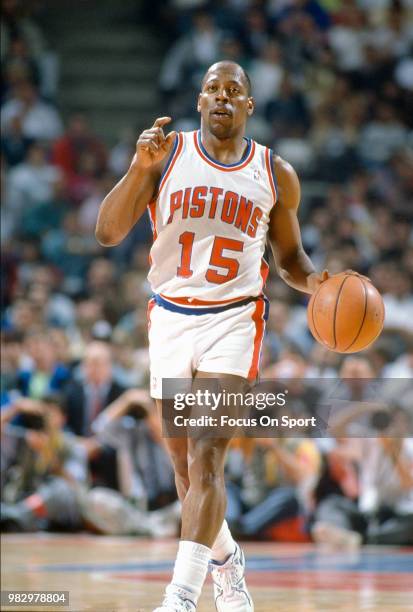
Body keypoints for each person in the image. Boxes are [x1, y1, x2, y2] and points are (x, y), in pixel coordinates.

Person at [95, 61, 329, 612]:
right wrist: (136, 168)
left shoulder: (276, 174)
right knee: (185, 471)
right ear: (199, 101)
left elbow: (289, 258)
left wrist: (316, 282)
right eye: (212, 89)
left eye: (234, 91)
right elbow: (106, 232)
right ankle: (227, 565)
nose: (222, 97)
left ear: (249, 106)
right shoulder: (166, 154)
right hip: (171, 317)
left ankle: (181, 597)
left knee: (207, 457)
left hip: (234, 320)